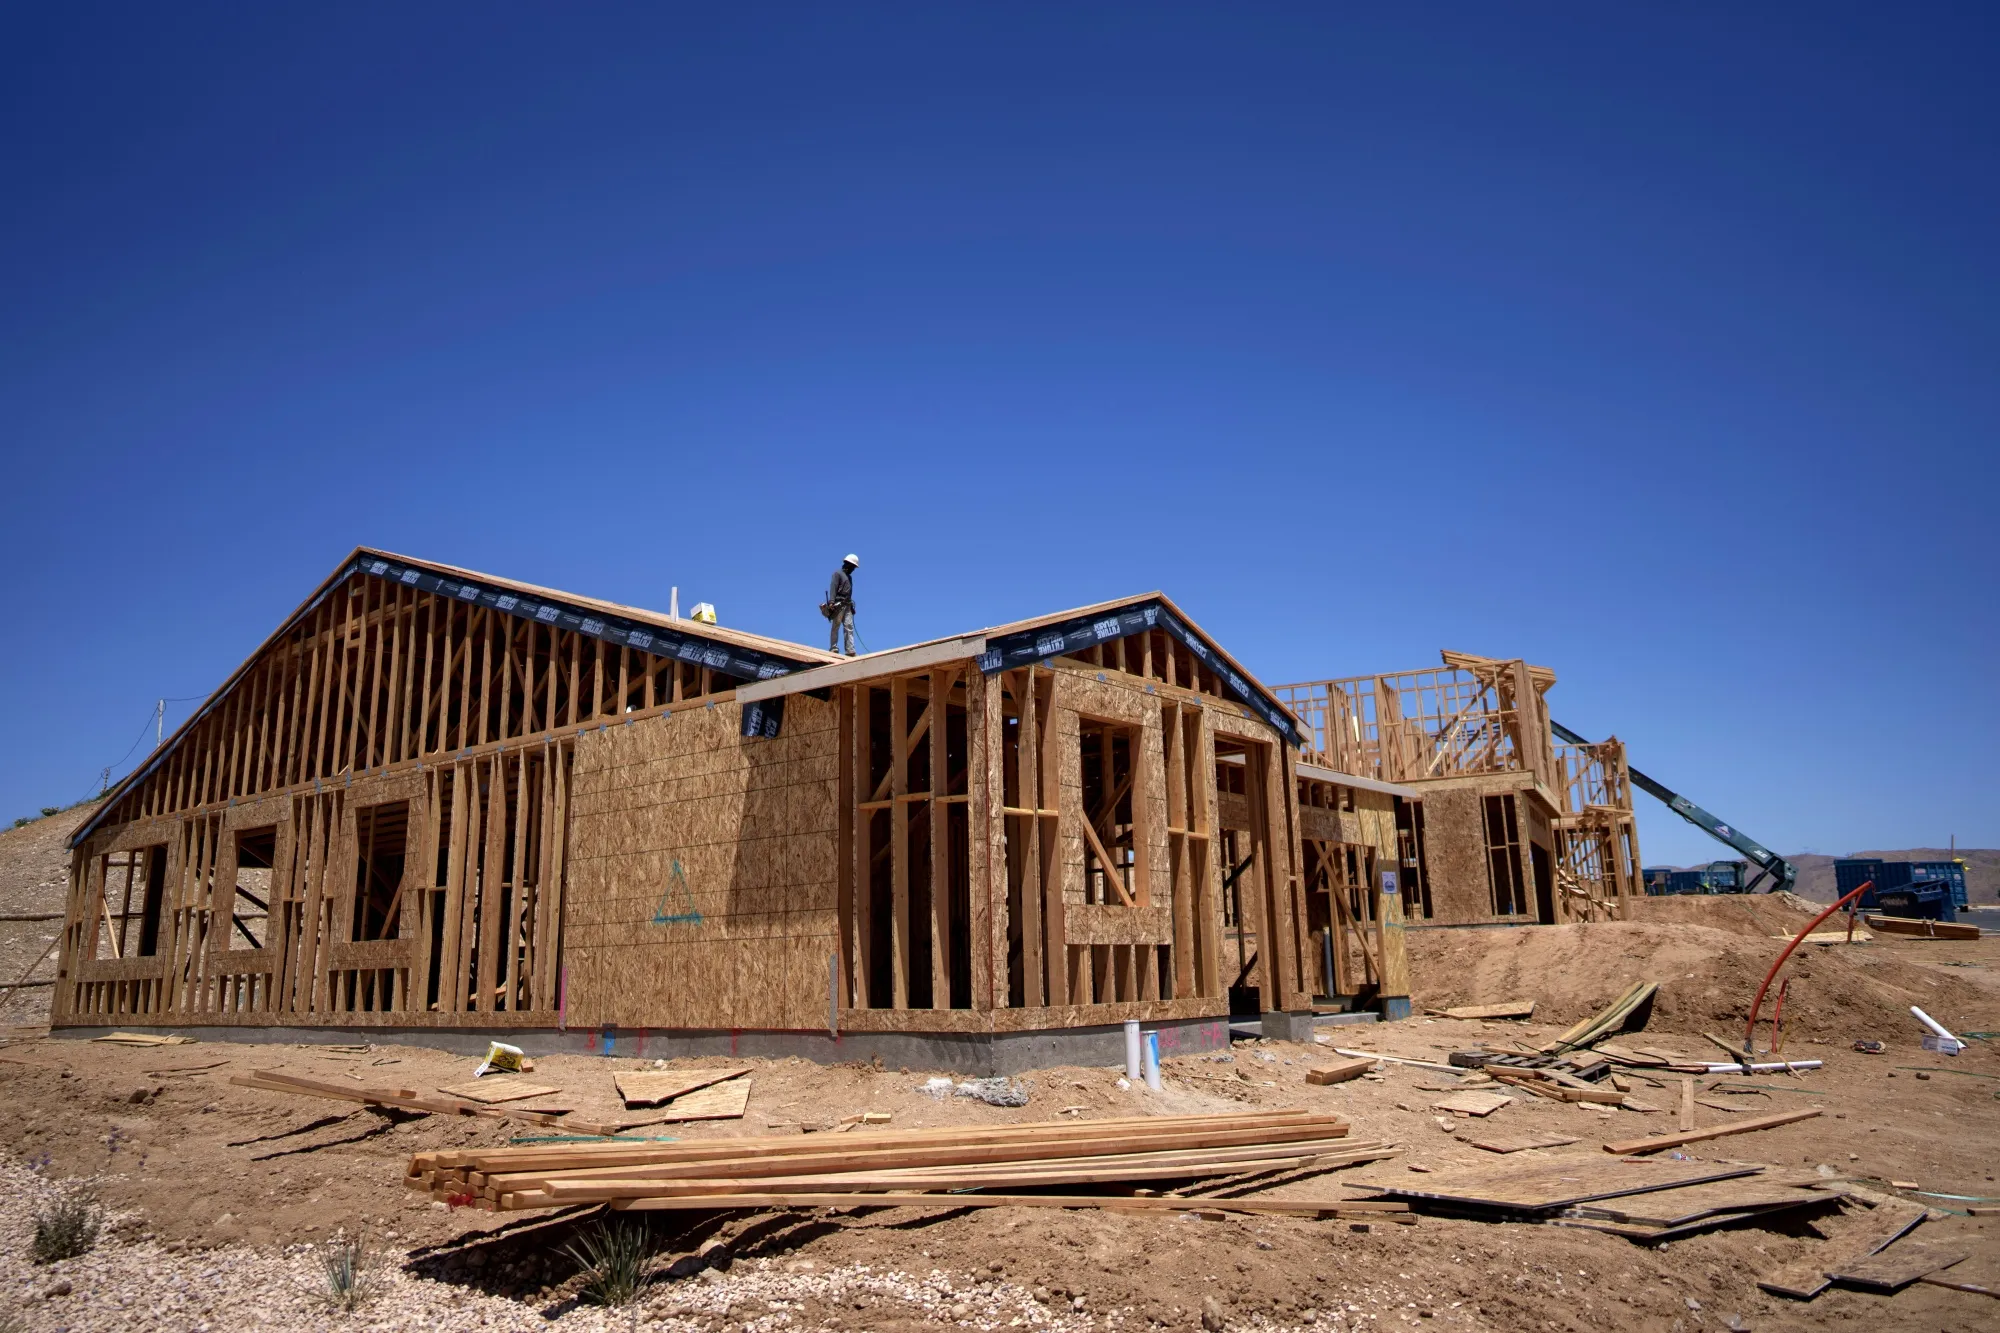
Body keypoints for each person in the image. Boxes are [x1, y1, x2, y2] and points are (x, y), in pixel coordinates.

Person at [822, 553, 859, 655]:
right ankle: (833, 647)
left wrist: (851, 607)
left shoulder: (849, 578)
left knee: (849, 627)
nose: (853, 569)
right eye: (853, 567)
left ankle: (850, 650)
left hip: (847, 605)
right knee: (836, 625)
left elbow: (849, 593)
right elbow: (833, 588)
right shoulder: (837, 574)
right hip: (838, 604)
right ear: (847, 564)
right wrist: (832, 602)